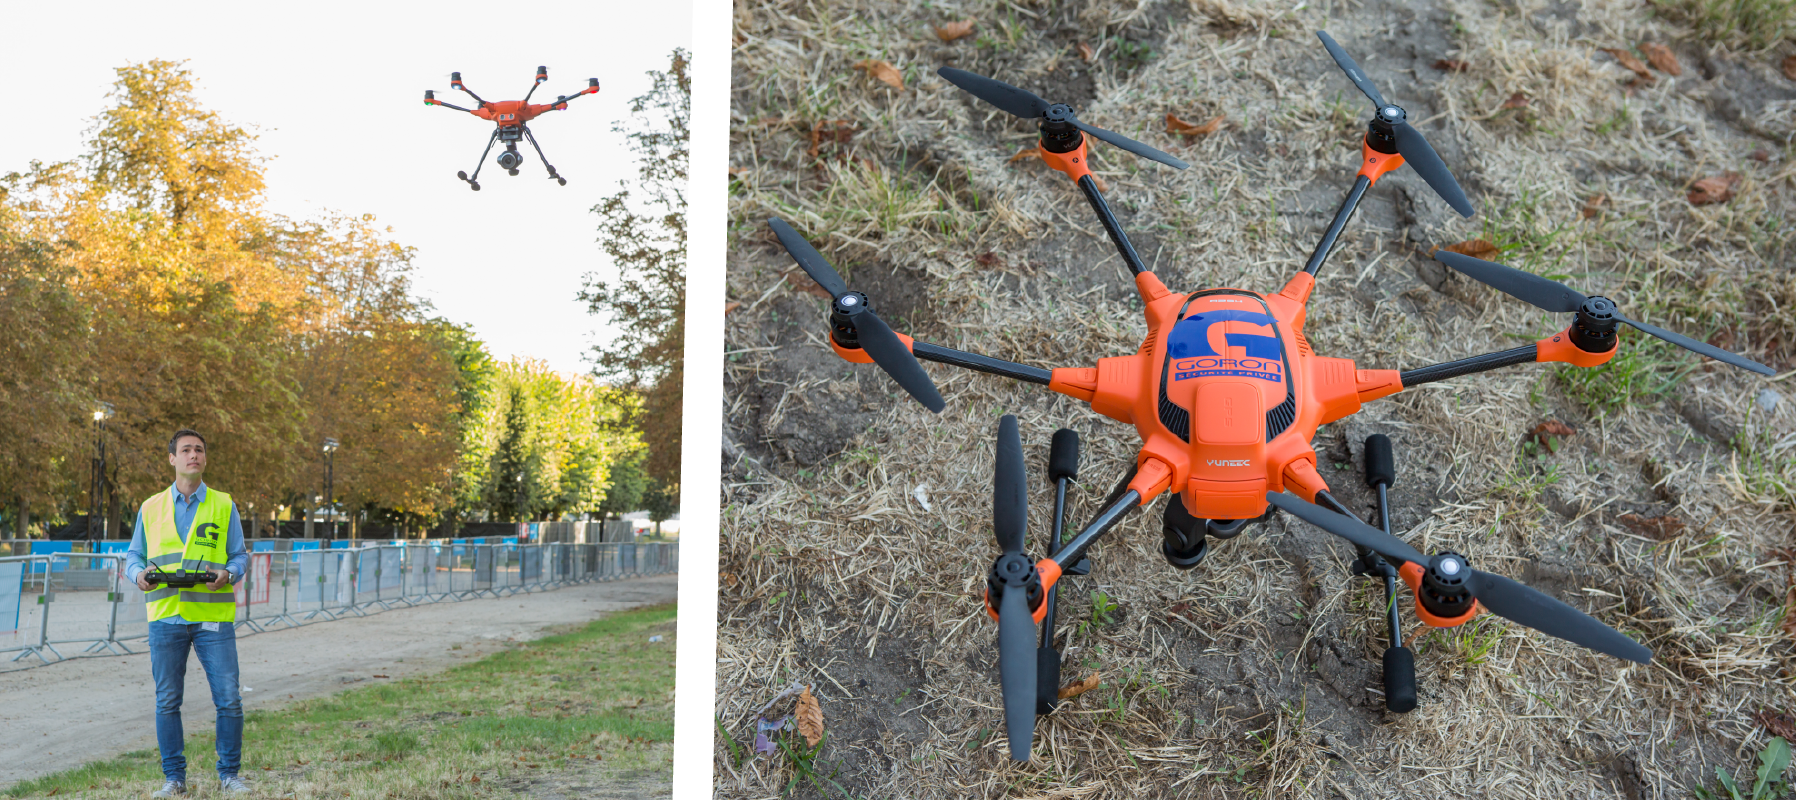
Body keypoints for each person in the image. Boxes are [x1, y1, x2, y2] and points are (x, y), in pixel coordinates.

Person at [123, 429, 251, 797]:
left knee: (228, 698)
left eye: (199, 450)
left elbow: (240, 555)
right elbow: (134, 556)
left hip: (213, 618)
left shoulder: (224, 505)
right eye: (186, 450)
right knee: (167, 700)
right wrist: (138, 575)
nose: (193, 455)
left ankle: (229, 775)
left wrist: (230, 573)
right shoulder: (150, 507)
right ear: (172, 459)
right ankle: (174, 779)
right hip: (166, 617)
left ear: (205, 459)